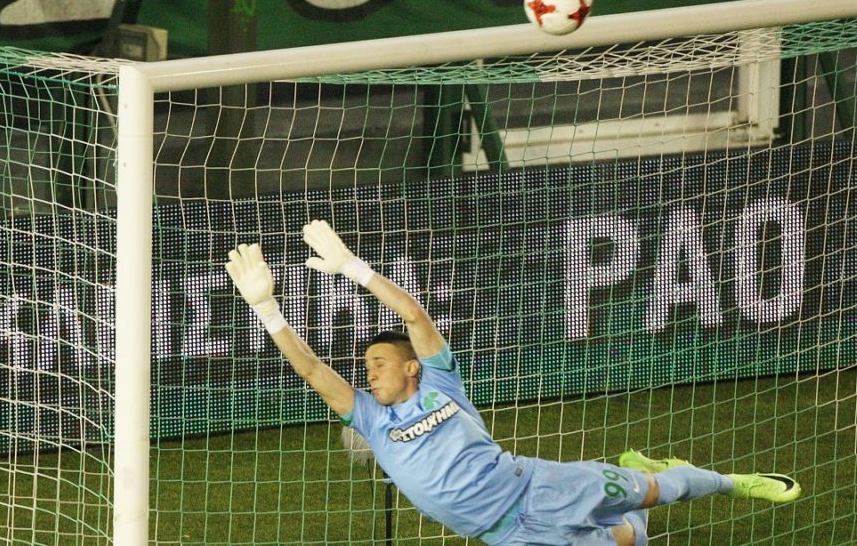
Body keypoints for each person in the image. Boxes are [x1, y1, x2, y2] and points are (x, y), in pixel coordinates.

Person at [224, 220, 802, 546]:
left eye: (379, 361)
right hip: (506, 536)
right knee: (629, 540)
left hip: (537, 486)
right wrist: (266, 307)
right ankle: (635, 498)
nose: (368, 371)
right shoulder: (372, 422)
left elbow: (415, 317)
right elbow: (311, 369)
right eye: (366, 366)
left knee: (656, 492)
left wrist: (353, 267)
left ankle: (733, 482)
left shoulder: (442, 384)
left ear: (412, 367)